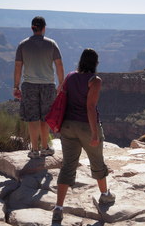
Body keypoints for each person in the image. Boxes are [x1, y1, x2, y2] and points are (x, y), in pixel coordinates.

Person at [52, 49, 115, 223]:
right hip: (86, 127)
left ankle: (58, 207)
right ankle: (105, 195)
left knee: (68, 166)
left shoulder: (70, 76)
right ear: (95, 63)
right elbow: (90, 107)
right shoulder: (94, 81)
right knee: (97, 161)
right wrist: (95, 133)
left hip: (68, 126)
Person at [13, 16, 64, 159]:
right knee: (45, 118)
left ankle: (34, 150)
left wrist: (16, 86)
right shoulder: (52, 44)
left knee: (32, 118)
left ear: (32, 28)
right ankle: (45, 147)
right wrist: (61, 83)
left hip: (29, 86)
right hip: (48, 85)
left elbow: (18, 66)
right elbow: (59, 64)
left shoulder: (23, 45)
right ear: (44, 28)